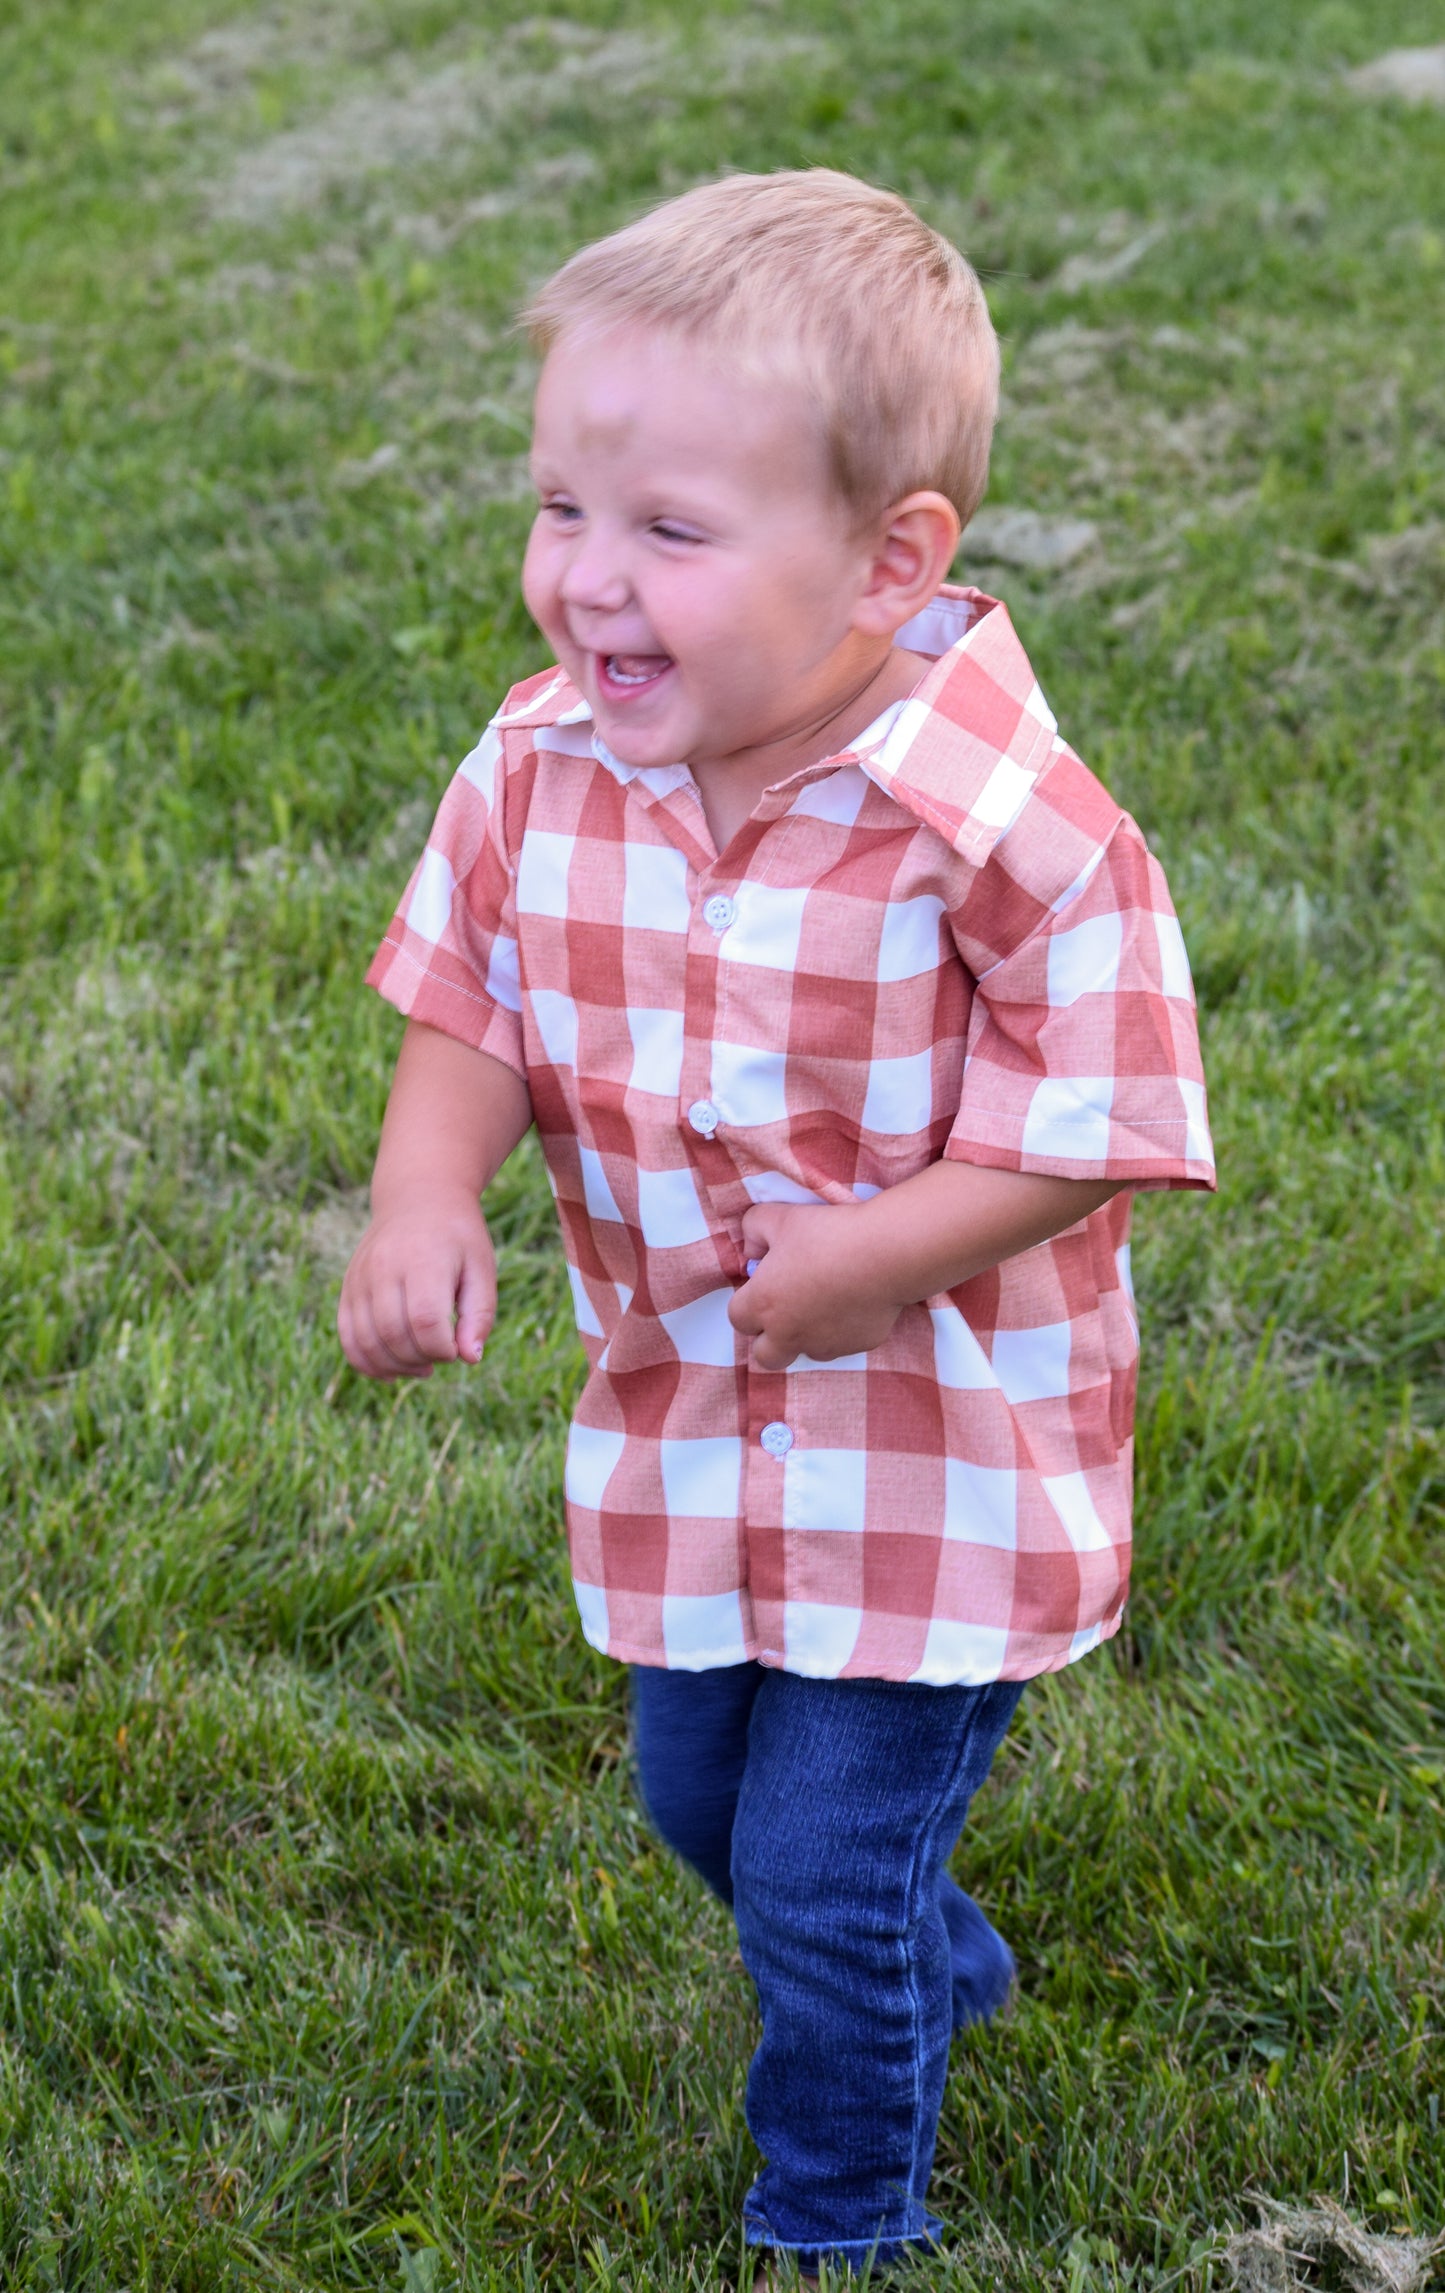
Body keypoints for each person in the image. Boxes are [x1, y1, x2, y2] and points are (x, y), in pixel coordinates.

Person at [339, 169, 1215, 2282]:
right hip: (686, 1419)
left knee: (813, 1872)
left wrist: (885, 1249)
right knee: (696, 1802)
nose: (586, 585)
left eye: (671, 533)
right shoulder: (541, 768)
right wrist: (422, 1187)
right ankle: (935, 1960)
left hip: (936, 1455)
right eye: (563, 508)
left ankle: (836, 2217)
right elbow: (472, 989)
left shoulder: (995, 812)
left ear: (889, 556)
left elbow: (1106, 1102)